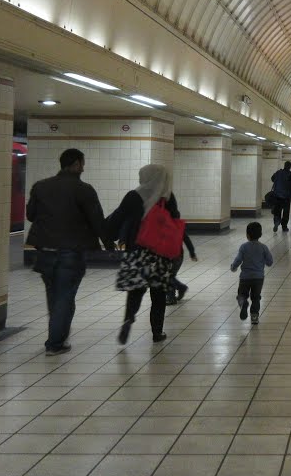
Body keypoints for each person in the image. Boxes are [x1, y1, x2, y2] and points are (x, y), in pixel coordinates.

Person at [26, 148, 106, 356]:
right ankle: (55, 343)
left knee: (53, 294)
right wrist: (109, 243)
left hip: (45, 251)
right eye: (83, 163)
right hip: (71, 251)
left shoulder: (40, 186)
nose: (83, 167)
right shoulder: (83, 189)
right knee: (65, 296)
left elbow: (30, 214)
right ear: (77, 164)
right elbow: (97, 220)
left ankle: (57, 335)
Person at [105, 164, 191, 344]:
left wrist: (107, 238)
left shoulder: (133, 196)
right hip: (160, 253)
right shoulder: (167, 198)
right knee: (158, 295)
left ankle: (128, 319)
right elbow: (175, 223)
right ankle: (157, 333)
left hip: (136, 251)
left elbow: (117, 219)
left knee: (136, 290)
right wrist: (184, 248)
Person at [230, 221, 273, 324]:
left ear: (247, 235)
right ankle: (254, 317)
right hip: (258, 278)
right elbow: (270, 262)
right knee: (256, 297)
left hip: (245, 277)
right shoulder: (263, 247)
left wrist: (233, 267)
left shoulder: (244, 247)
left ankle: (243, 303)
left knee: (241, 295)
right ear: (260, 234)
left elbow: (238, 260)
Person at [270, 161, 291, 232]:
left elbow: (272, 178)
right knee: (285, 212)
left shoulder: (278, 172)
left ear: (284, 165)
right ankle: (284, 227)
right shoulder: (290, 174)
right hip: (286, 197)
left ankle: (276, 222)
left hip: (277, 196)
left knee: (277, 211)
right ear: (289, 167)